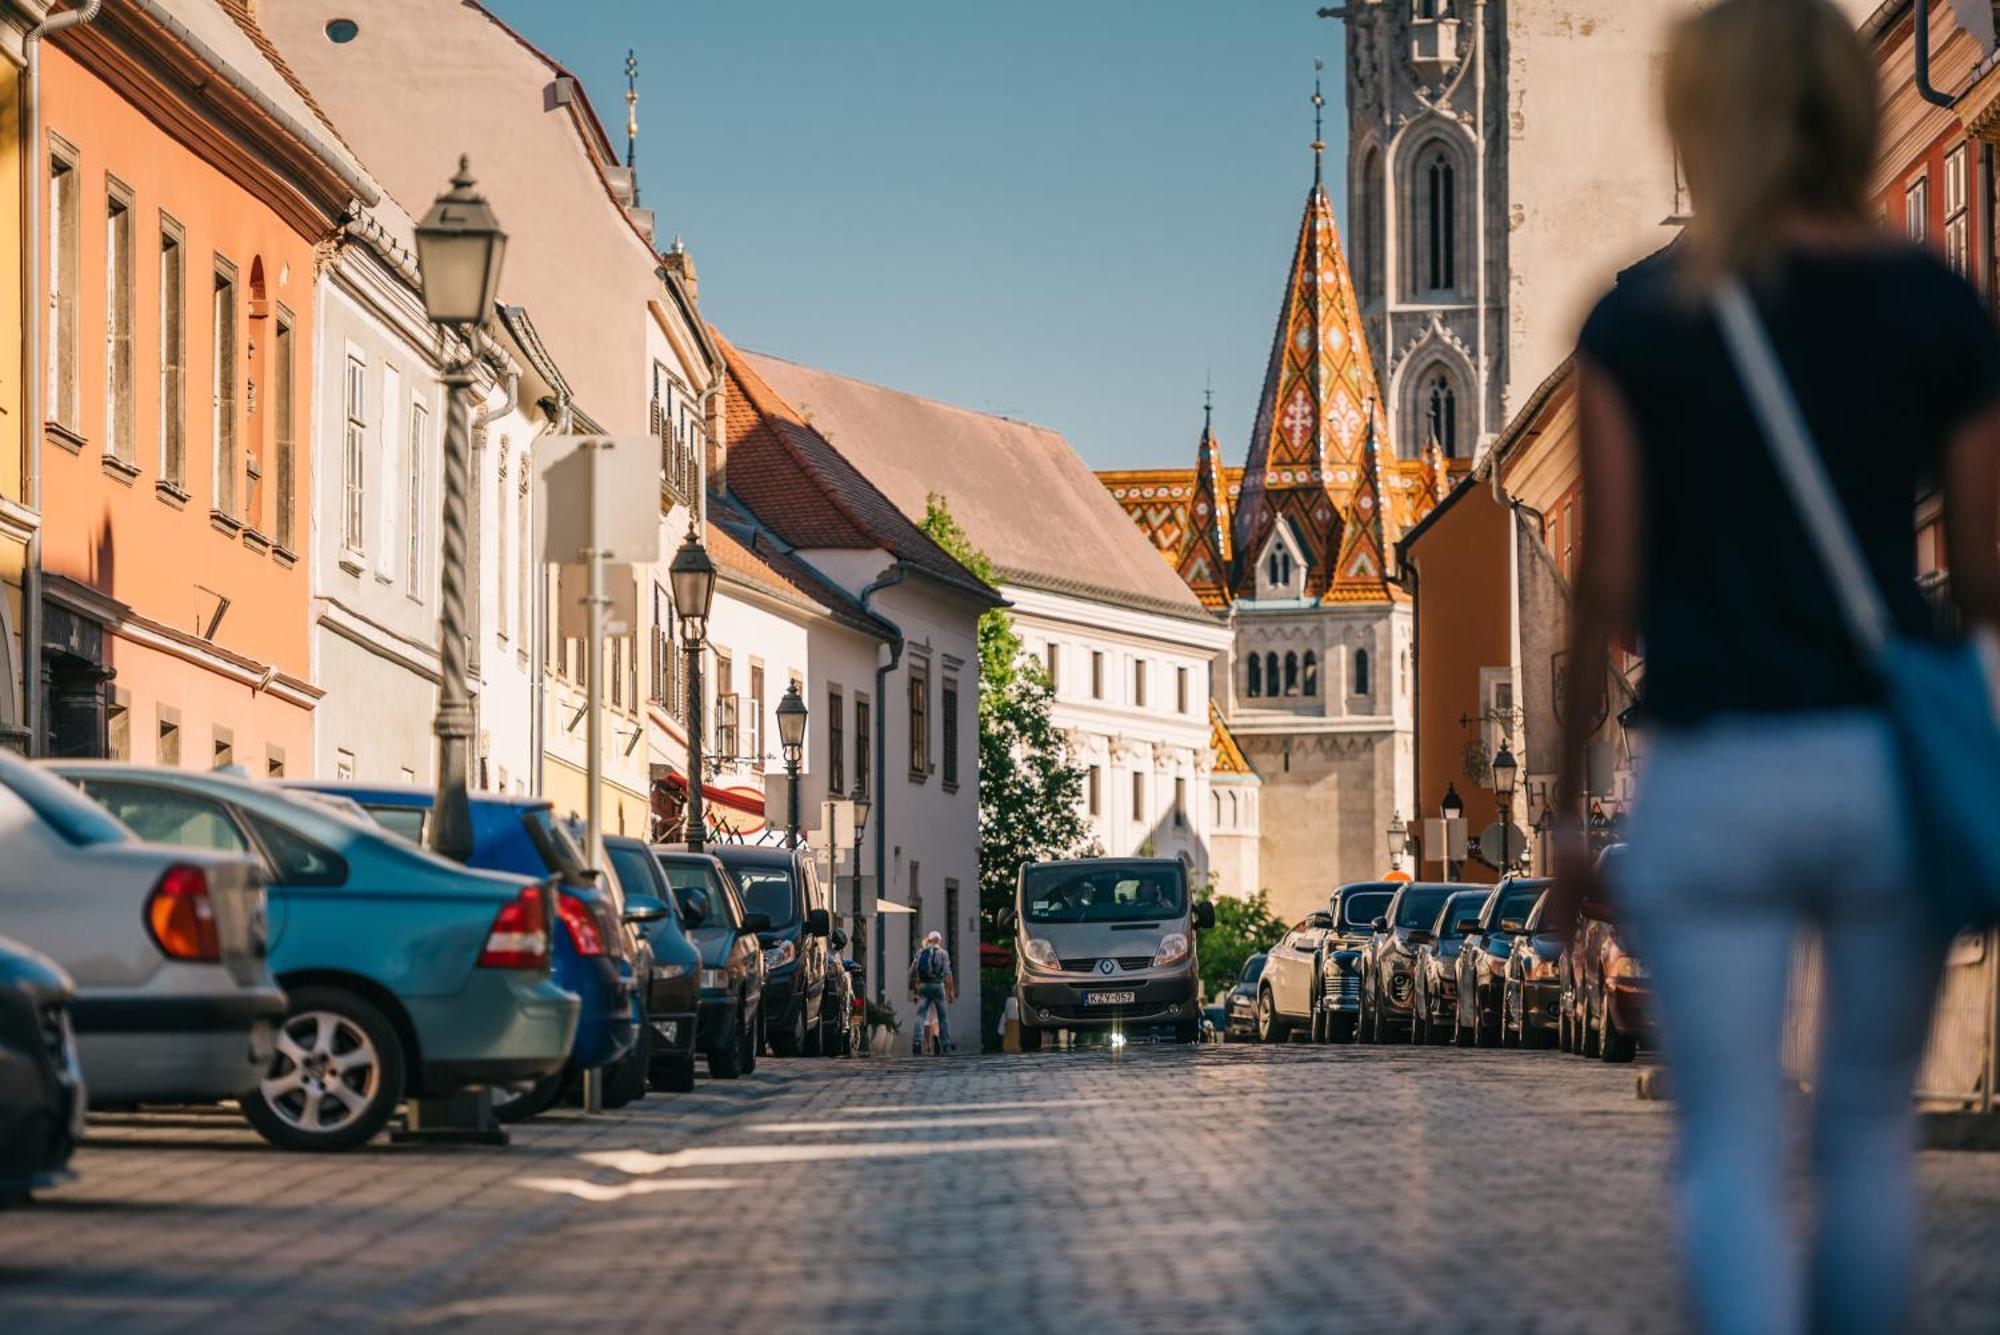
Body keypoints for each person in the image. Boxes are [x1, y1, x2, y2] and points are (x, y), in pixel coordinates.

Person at [1554, 3, 2000, 1331]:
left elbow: (1605, 591)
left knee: (1733, 1138)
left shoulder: (1639, 321)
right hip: (1876, 764)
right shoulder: (1936, 303)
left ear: (1705, 119)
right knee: (1866, 1130)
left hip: (1709, 766)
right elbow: (1984, 576)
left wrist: (1566, 813)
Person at [908, 930, 955, 1055]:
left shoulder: (920, 953)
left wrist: (914, 990)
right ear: (939, 940)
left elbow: (912, 972)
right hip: (938, 986)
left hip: (923, 985)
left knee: (921, 1015)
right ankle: (945, 1045)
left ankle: (917, 1042)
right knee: (942, 1017)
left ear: (929, 940)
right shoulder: (943, 953)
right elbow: (948, 973)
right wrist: (951, 991)